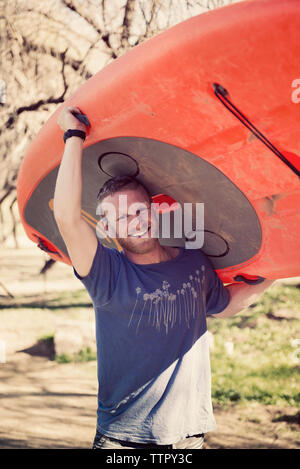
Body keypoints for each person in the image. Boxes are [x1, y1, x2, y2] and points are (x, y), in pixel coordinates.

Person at [53, 106, 275, 450]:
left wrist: (275, 272)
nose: (136, 221)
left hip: (189, 435)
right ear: (108, 229)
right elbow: (67, 218)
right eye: (123, 217)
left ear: (156, 211)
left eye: (140, 210)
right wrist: (73, 136)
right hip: (123, 438)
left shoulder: (193, 262)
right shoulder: (106, 273)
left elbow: (225, 302)